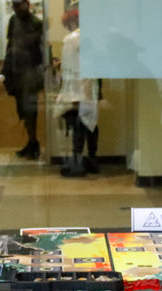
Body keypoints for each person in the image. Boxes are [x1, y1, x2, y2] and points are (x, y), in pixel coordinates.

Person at [53, 3, 101, 177]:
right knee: (91, 124)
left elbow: (70, 68)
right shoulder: (92, 37)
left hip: (75, 88)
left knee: (78, 124)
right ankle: (92, 160)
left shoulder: (71, 39)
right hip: (89, 85)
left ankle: (77, 162)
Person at [1, 0, 44, 160]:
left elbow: (40, 49)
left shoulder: (36, 23)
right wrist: (7, 68)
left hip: (31, 72)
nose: (16, 8)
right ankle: (31, 141)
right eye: (14, 5)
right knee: (23, 109)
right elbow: (10, 44)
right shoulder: (14, 20)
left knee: (30, 109)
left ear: (27, 3)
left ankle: (34, 143)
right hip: (16, 71)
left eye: (19, 4)